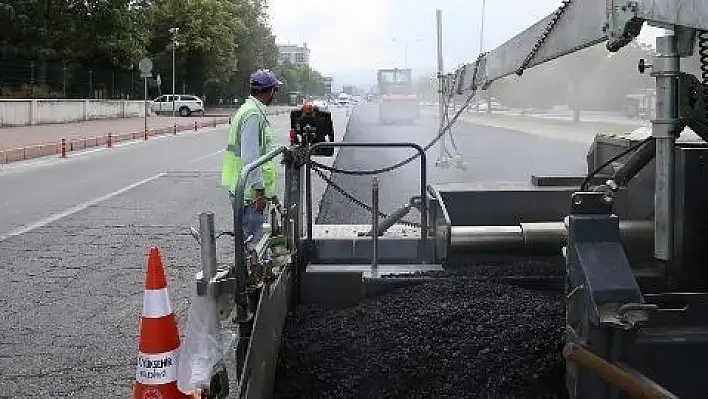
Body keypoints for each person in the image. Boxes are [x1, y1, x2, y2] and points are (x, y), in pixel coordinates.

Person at [221, 69, 281, 243]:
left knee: (250, 243)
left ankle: (248, 268)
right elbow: (251, 157)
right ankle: (248, 270)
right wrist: (260, 192)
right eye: (275, 91)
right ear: (270, 91)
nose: (275, 95)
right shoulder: (253, 115)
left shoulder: (248, 109)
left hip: (244, 188)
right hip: (250, 194)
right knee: (254, 246)